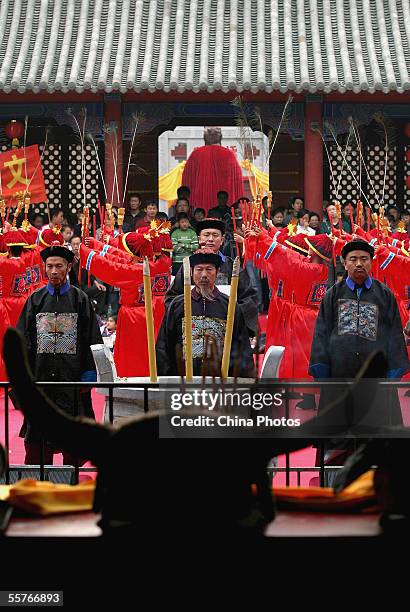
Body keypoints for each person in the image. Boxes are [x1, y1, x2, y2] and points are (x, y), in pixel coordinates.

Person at [310, 239, 409, 432]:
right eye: (353, 259)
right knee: (339, 433)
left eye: (364, 259)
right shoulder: (332, 295)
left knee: (376, 432)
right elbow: (321, 332)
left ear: (371, 263)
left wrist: (393, 371)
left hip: (375, 375)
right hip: (340, 374)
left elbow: (395, 334)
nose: (359, 264)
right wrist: (322, 367)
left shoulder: (384, 295)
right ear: (344, 263)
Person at [16, 244, 103, 465]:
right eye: (50, 266)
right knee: (38, 442)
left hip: (71, 382)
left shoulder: (80, 299)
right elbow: (22, 338)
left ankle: (70, 485)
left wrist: (89, 373)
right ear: (44, 268)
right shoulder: (35, 300)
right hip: (41, 379)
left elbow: (92, 337)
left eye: (59, 266)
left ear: (68, 267)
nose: (54, 271)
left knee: (72, 440)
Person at [156, 249, 255, 377]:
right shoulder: (178, 305)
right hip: (184, 379)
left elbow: (242, 348)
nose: (204, 275)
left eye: (209, 269)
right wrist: (166, 380)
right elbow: (164, 346)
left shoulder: (229, 305)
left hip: (220, 379)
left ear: (217, 272)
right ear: (191, 272)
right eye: (199, 269)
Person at [165, 218, 258, 337]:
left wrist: (231, 315)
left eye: (215, 235)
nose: (210, 239)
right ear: (199, 239)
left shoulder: (232, 267)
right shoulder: (189, 266)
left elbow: (248, 299)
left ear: (222, 240)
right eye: (206, 235)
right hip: (192, 330)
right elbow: (172, 298)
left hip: (225, 329)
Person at [181, 127, 244, 214]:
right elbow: (237, 185)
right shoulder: (229, 155)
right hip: (225, 209)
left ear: (204, 137)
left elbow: (187, 182)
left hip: (200, 208)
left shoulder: (196, 154)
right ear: (220, 137)